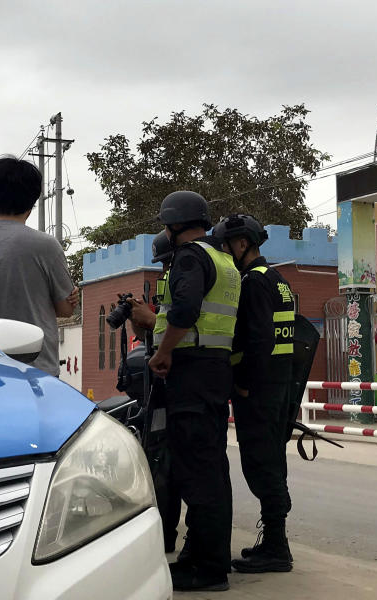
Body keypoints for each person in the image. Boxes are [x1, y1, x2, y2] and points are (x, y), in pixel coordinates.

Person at [148, 191, 240, 593]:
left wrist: (163, 352)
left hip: (191, 370)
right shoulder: (225, 260)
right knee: (212, 466)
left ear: (172, 226)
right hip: (215, 371)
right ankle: (203, 557)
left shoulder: (188, 257)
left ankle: (208, 569)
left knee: (196, 470)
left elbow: (184, 312)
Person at [213, 214, 295, 574]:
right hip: (277, 386)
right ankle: (275, 542)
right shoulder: (277, 280)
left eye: (227, 245)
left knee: (261, 465)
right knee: (272, 462)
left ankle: (276, 548)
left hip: (258, 390)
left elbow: (259, 339)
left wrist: (243, 380)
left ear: (242, 244)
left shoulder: (252, 283)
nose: (225, 251)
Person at [0, 155, 78, 376]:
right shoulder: (45, 245)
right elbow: (65, 309)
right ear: (33, 198)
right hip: (35, 366)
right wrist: (72, 297)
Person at [123, 230, 182, 555]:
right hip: (163, 388)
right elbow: (158, 327)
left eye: (166, 263)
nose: (163, 270)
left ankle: (174, 537)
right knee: (160, 462)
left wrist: (152, 318)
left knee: (171, 466)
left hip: (180, 383)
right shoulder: (173, 282)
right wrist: (140, 318)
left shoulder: (191, 275)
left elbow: (184, 322)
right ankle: (165, 534)